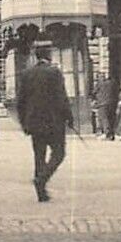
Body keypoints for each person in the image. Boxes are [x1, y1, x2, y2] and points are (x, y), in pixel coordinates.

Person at [16, 42, 73, 203]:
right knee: (59, 153)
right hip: (54, 121)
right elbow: (62, 97)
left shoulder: (27, 74)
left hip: (34, 122)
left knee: (39, 156)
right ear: (49, 56)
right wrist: (69, 117)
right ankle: (42, 179)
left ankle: (41, 193)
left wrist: (23, 123)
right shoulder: (54, 72)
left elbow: (21, 101)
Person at [94, 74, 117, 139]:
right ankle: (112, 133)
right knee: (111, 118)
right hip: (111, 103)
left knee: (104, 119)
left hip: (102, 104)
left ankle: (108, 134)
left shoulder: (99, 84)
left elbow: (94, 92)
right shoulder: (112, 83)